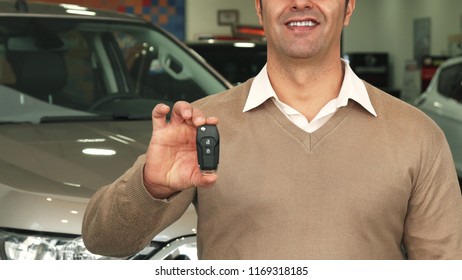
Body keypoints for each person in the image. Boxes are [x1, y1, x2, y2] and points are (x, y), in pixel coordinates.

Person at [82, 0, 462, 259]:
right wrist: (153, 186)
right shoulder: (202, 126)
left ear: (348, 8)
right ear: (260, 9)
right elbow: (103, 240)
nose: (300, 2)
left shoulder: (418, 136)